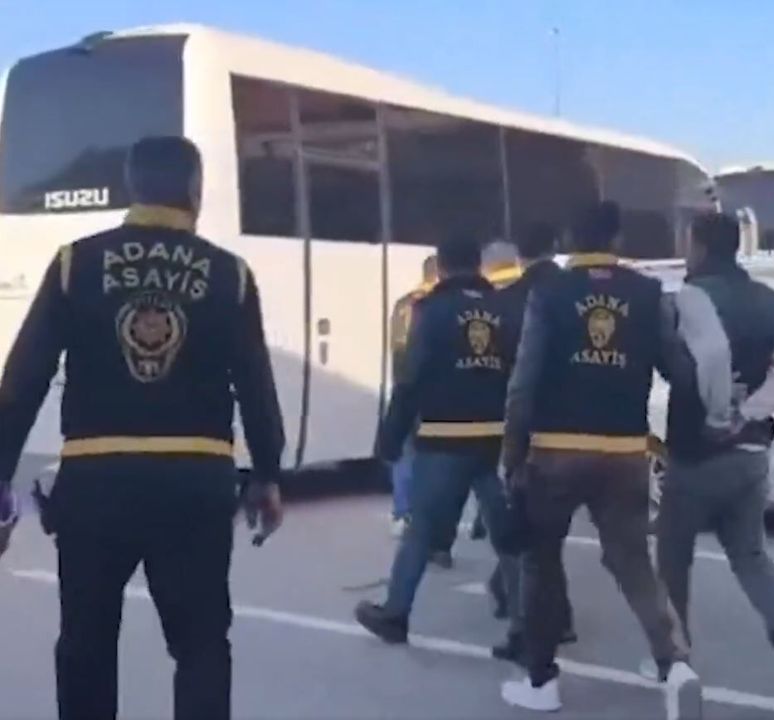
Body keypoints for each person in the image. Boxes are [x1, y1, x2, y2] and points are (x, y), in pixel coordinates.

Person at [0, 136, 285, 720]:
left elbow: (23, 380)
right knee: (201, 646)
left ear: (132, 186)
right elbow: (256, 384)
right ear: (195, 190)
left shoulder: (76, 263)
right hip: (195, 482)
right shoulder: (229, 274)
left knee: (85, 644)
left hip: (96, 482)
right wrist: (268, 474)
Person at [500, 202, 701, 718]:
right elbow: (679, 369)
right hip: (625, 452)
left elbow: (524, 380)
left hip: (555, 451)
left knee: (541, 561)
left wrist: (512, 452)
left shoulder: (550, 292)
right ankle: (674, 663)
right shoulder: (648, 293)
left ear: (572, 238)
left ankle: (541, 681)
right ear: (617, 239)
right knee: (633, 562)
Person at [654, 212, 774, 714]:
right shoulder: (767, 300)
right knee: (750, 554)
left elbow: (708, 356)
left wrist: (719, 415)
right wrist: (750, 413)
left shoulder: (691, 297)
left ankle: (676, 661)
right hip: (751, 455)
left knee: (673, 557)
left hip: (697, 453)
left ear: (700, 246)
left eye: (688, 242)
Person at [354, 233, 522, 645]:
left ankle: (395, 615)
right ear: (478, 265)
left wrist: (389, 440)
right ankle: (526, 618)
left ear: (441, 267)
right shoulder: (504, 309)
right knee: (506, 534)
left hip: (444, 437)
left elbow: (410, 379)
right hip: (494, 438)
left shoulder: (431, 309)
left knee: (421, 529)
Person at [488, 222, 578, 661]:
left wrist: (510, 446)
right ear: (556, 246)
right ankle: (545, 614)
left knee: (533, 542)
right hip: (579, 429)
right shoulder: (576, 293)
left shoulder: (507, 300)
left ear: (517, 254)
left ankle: (534, 632)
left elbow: (512, 379)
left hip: (530, 433)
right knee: (544, 540)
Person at [388, 256, 439, 539]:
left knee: (404, 454)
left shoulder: (402, 303)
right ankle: (425, 516)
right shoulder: (436, 304)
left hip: (403, 388)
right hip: (430, 393)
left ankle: (401, 513)